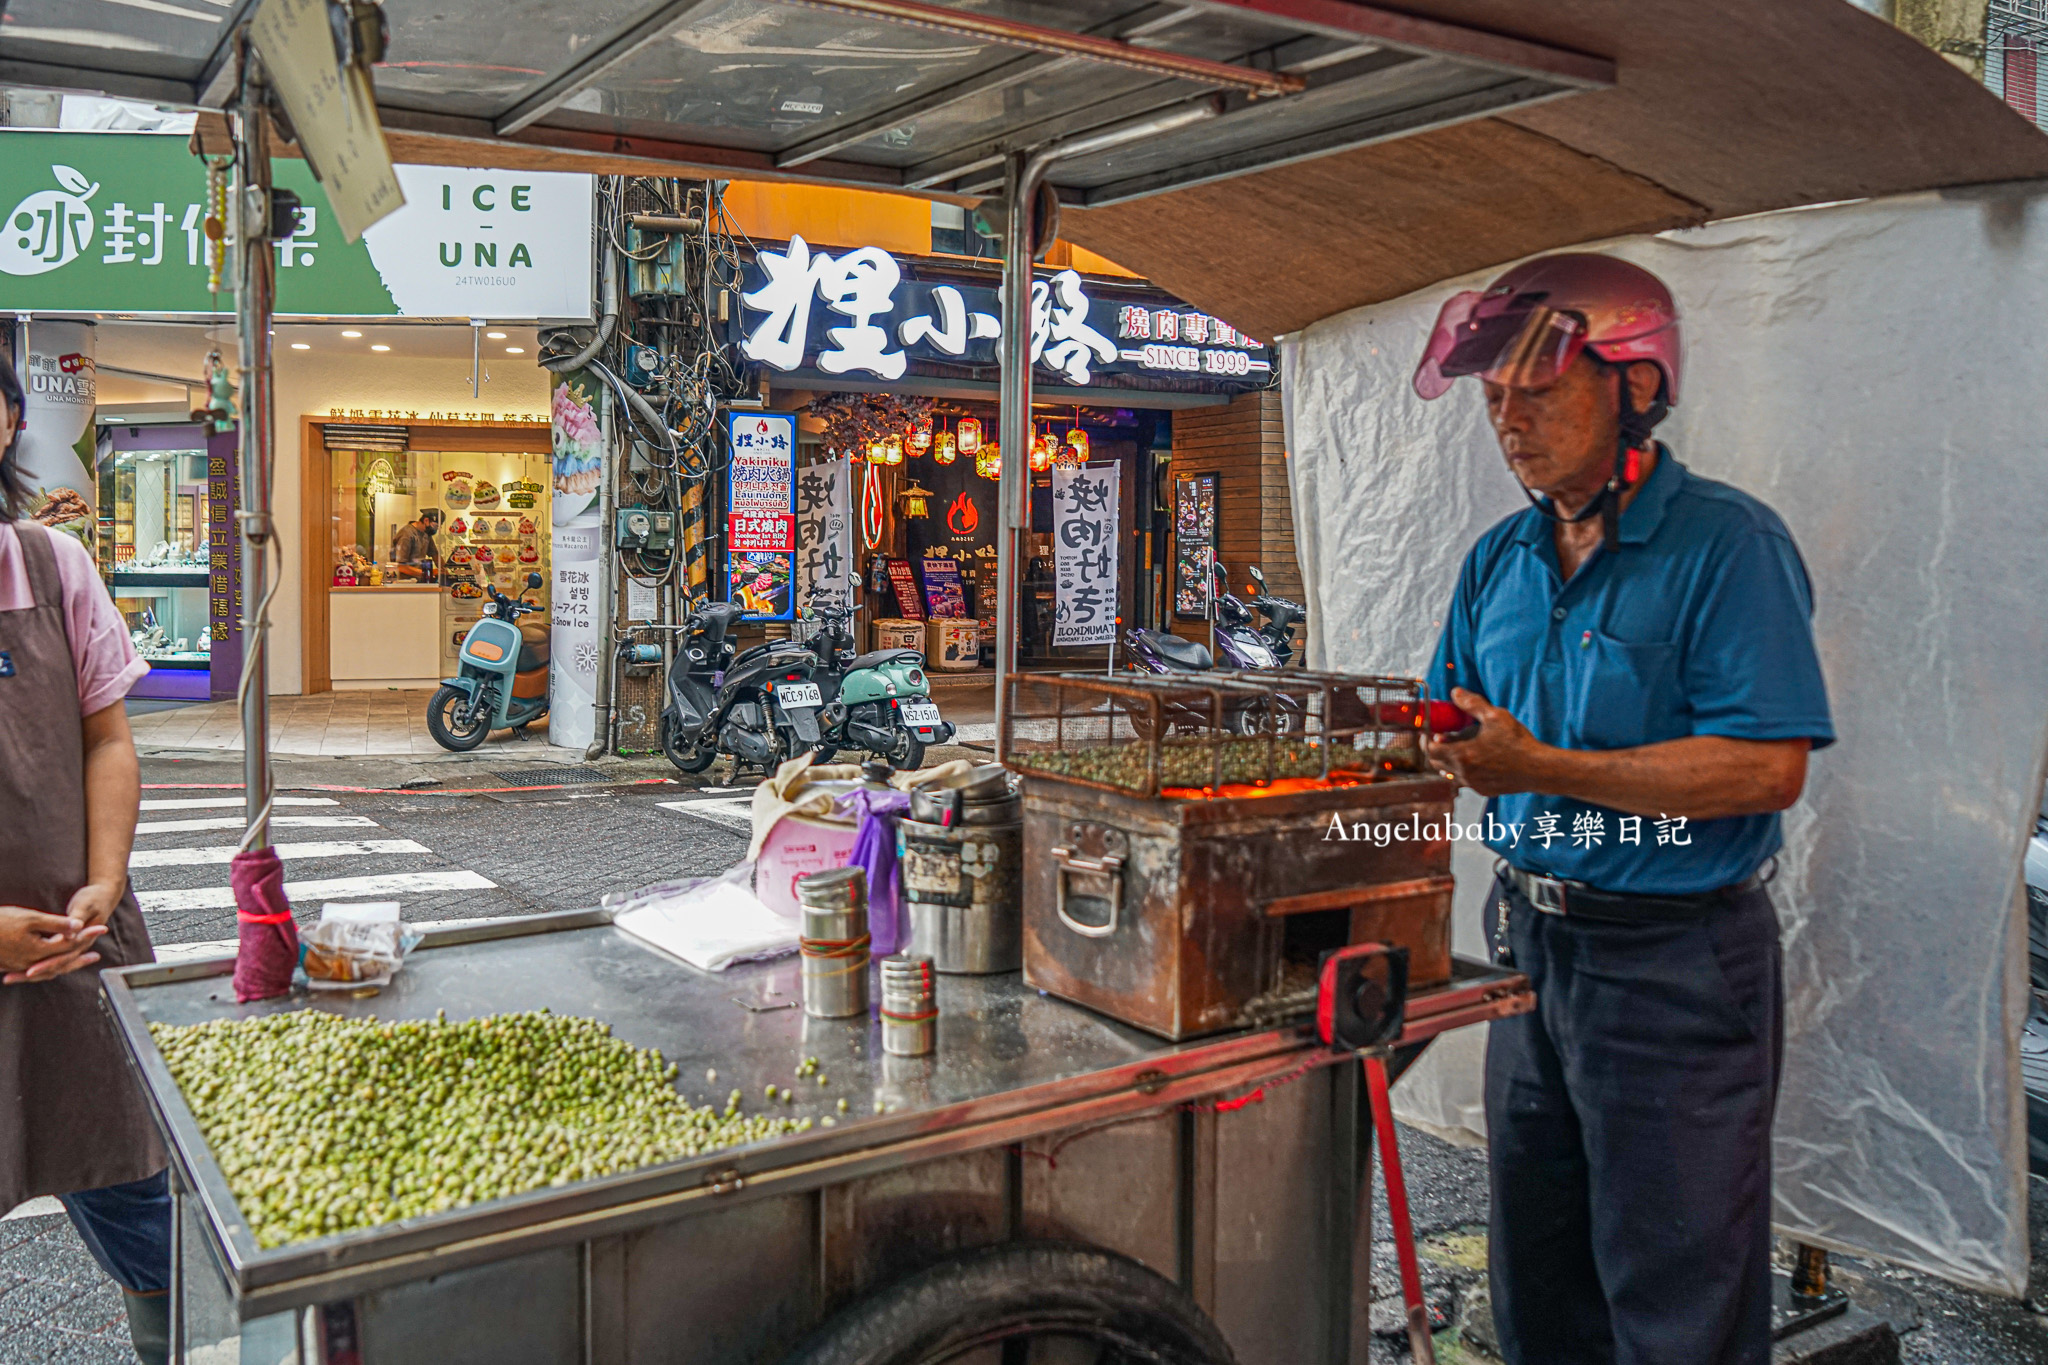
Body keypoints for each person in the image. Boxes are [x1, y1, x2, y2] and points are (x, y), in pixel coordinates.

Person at [1413, 254, 1834, 1365]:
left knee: (1674, 1291)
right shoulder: (1497, 561)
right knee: (1538, 1276)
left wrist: (1543, 763)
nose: (1508, 421)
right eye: (1494, 398)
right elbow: (1441, 717)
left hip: (1677, 963)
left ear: (1634, 388)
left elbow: (1764, 768)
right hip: (1531, 948)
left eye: (1537, 393)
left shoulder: (1724, 546)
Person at [0, 359, 171, 1365]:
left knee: (139, 1200)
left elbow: (107, 739)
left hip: (74, 953)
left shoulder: (52, 564)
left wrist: (103, 884)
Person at [391, 507, 441, 580]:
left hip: (420, 580)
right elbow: (401, 567)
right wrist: (429, 573)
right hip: (406, 583)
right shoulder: (407, 534)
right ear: (426, 520)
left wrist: (446, 573)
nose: (436, 529)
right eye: (435, 526)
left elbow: (435, 555)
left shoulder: (426, 534)